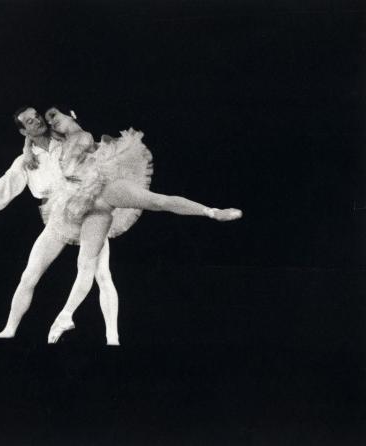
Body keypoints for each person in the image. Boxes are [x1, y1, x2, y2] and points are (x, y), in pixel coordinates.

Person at [42, 107, 243, 343]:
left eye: (54, 115)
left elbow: (82, 157)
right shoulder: (63, 142)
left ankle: (212, 211)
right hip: (90, 206)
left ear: (71, 114)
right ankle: (66, 316)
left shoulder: (81, 136)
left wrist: (78, 160)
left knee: (157, 201)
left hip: (106, 189)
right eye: (48, 121)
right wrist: (30, 149)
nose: (51, 122)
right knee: (85, 264)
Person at [0, 107, 121, 345]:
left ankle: (113, 338)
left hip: (88, 209)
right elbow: (3, 184)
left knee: (102, 274)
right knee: (29, 274)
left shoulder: (66, 141)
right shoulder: (26, 161)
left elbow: (91, 145)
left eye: (36, 116)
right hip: (58, 216)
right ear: (23, 131)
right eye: (29, 122)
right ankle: (9, 330)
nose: (36, 121)